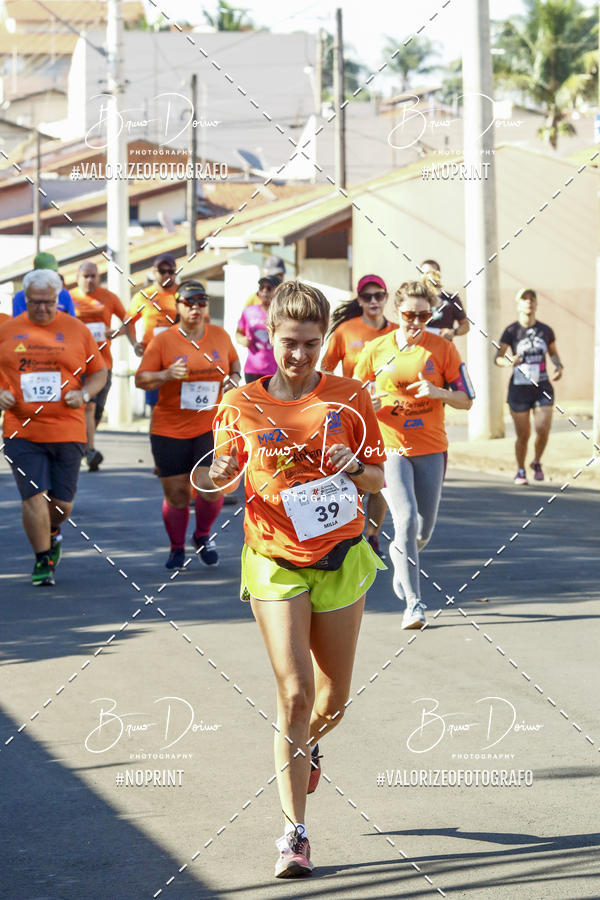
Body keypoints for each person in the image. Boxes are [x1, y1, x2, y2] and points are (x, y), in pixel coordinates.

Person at [209, 280, 386, 878]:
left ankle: (305, 746)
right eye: (289, 343)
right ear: (269, 337)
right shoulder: (240, 404)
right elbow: (222, 473)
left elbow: (378, 480)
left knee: (331, 703)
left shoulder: (351, 397)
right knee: (293, 693)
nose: (299, 356)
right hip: (274, 557)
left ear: (324, 341)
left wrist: (356, 466)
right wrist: (222, 470)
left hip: (338, 554)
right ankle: (295, 832)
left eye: (311, 345)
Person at [355, 281, 474, 630]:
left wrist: (439, 392)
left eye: (424, 315)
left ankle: (400, 558)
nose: (415, 321)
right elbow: (352, 398)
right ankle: (414, 603)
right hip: (390, 446)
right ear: (397, 312)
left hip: (431, 447)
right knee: (404, 521)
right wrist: (367, 404)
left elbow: (467, 399)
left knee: (421, 532)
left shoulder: (443, 349)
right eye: (409, 314)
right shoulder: (375, 350)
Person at [0, 269, 106, 586]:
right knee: (34, 497)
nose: (42, 309)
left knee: (61, 504)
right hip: (22, 430)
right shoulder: (8, 330)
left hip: (68, 430)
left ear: (58, 300)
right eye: (35, 303)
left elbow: (97, 373)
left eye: (48, 303)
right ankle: (42, 560)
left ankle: (54, 531)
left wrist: (84, 394)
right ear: (25, 300)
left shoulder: (77, 330)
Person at [135, 281, 241, 569]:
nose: (196, 308)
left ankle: (203, 535)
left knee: (210, 486)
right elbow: (141, 378)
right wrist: (166, 374)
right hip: (169, 428)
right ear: (179, 306)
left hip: (210, 425)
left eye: (201, 302)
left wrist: (233, 378)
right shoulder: (164, 341)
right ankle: (177, 547)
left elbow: (234, 366)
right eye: (189, 302)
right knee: (178, 494)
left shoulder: (219, 335)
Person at [321, 274, 397, 559]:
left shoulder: (397, 333)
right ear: (359, 300)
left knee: (379, 480)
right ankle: (347, 532)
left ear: (386, 297)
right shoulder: (345, 331)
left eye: (379, 295)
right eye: (367, 297)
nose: (374, 301)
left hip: (389, 419)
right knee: (355, 478)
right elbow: (326, 372)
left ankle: (372, 535)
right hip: (353, 416)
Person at [72, 261, 136, 471]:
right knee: (87, 406)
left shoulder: (108, 297)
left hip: (102, 363)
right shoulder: (69, 298)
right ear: (78, 277)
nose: (90, 280)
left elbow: (129, 320)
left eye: (93, 276)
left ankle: (84, 444)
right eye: (86, 276)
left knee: (97, 410)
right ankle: (89, 450)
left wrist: (115, 333)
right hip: (77, 363)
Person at [495, 288, 563, 485]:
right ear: (518, 305)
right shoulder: (511, 331)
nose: (529, 303)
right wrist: (509, 362)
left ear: (536, 304)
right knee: (523, 435)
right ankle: (521, 469)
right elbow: (497, 358)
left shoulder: (546, 330)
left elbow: (553, 353)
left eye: (532, 299)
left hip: (542, 386)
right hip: (519, 388)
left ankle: (537, 461)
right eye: (524, 300)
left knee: (543, 428)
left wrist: (558, 365)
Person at [129, 253, 180, 413]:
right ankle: (155, 435)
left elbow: (203, 321)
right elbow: (128, 321)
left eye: (170, 271)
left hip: (179, 356)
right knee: (155, 406)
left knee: (178, 404)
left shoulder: (183, 293)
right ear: (154, 272)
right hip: (153, 356)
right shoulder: (144, 296)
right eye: (162, 271)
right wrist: (135, 344)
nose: (167, 275)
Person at [235, 275, 279, 382]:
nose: (264, 291)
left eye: (269, 288)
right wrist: (242, 340)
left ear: (277, 292)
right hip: (252, 370)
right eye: (261, 288)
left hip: (275, 371)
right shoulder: (249, 311)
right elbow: (238, 333)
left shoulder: (283, 314)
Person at [12, 252, 75, 317]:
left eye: (52, 273)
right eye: (35, 302)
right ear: (35, 272)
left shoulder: (64, 294)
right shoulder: (20, 297)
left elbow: (72, 322)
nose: (48, 277)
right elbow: (18, 323)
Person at [420, 259, 469, 340]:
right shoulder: (415, 299)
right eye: (426, 273)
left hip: (444, 347)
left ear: (439, 275)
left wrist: (453, 332)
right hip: (421, 348)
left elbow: (465, 325)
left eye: (433, 273)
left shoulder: (451, 299)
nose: (430, 277)